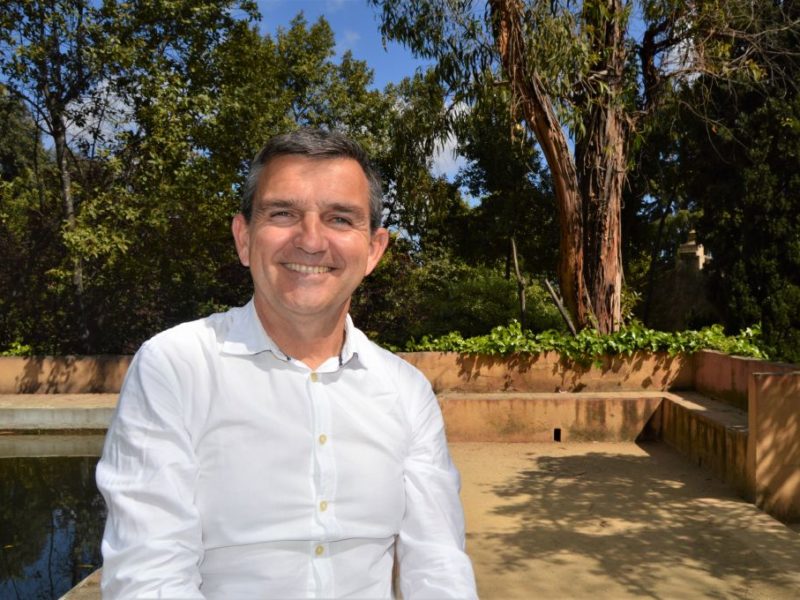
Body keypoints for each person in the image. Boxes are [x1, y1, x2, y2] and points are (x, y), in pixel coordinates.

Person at [96, 128, 478, 599]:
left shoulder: (407, 391)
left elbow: (438, 567)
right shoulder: (176, 367)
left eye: (340, 219)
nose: (311, 241)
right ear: (244, 238)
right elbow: (149, 576)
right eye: (283, 214)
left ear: (373, 250)